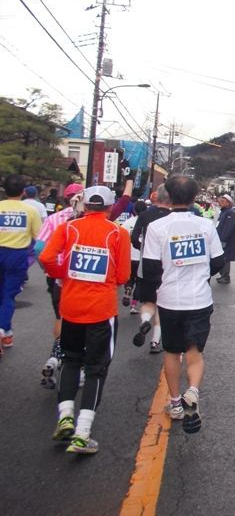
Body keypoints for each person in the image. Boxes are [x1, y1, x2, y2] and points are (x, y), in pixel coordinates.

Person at [39, 185, 131, 454]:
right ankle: (83, 433)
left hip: (71, 307)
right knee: (96, 368)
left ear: (84, 205)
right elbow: (124, 275)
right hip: (101, 310)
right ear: (108, 208)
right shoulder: (117, 232)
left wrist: (64, 272)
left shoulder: (69, 228)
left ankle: (65, 416)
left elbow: (45, 256)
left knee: (71, 360)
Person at [140, 176, 225, 433]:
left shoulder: (157, 228)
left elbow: (152, 268)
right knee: (194, 352)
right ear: (193, 197)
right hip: (199, 299)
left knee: (171, 352)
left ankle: (175, 404)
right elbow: (218, 261)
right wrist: (200, 275)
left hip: (169, 300)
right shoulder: (206, 226)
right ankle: (193, 392)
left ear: (168, 195)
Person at [34, 182, 84, 386]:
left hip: (59, 279)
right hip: (81, 280)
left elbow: (39, 248)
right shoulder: (84, 222)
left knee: (61, 318)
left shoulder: (55, 219)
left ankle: (54, 358)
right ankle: (77, 367)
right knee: (83, 326)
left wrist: (50, 270)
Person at [0, 174, 43, 355]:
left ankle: (7, 333)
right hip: (17, 255)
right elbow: (38, 238)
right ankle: (2, 329)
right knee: (9, 295)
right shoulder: (30, 211)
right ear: (23, 192)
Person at [131, 185, 171, 352]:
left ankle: (145, 321)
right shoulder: (173, 217)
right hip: (167, 266)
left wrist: (142, 247)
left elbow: (134, 237)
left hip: (146, 263)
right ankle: (155, 341)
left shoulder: (145, 214)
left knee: (148, 301)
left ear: (156, 197)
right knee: (161, 305)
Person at [121, 200, 147, 311]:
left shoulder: (127, 223)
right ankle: (134, 305)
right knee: (140, 282)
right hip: (141, 256)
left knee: (130, 278)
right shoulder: (147, 223)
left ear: (134, 210)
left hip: (129, 256)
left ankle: (127, 290)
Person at [216, 194, 235, 284]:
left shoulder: (230, 213)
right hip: (221, 239)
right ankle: (223, 276)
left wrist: (223, 239)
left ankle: (225, 277)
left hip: (226, 241)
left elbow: (228, 228)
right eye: (220, 201)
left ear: (228, 203)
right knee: (222, 258)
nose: (221, 203)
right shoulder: (223, 212)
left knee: (225, 258)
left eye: (223, 201)